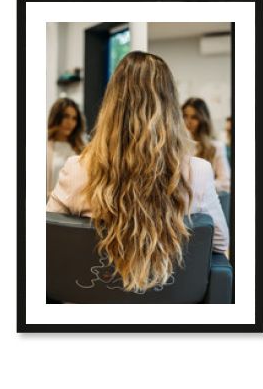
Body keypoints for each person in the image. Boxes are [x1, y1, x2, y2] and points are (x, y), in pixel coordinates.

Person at [47, 52, 229, 292]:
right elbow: (218, 242)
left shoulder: (76, 168)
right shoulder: (199, 172)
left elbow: (49, 239)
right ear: (170, 106)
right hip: (170, 309)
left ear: (112, 104)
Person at [182, 97, 231, 193]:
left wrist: (201, 187)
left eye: (194, 117)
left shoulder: (216, 147)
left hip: (202, 201)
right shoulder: (177, 146)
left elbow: (225, 182)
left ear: (203, 119)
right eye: (185, 116)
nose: (188, 121)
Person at [47, 97, 86, 199]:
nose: (70, 123)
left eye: (74, 118)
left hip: (73, 208)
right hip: (49, 206)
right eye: (66, 116)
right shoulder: (46, 147)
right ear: (57, 117)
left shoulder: (81, 149)